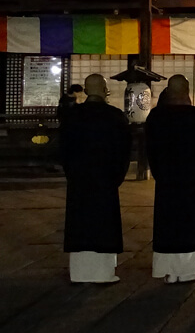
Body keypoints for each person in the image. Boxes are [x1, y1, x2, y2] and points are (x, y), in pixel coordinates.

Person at [60, 74, 131, 283]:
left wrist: (72, 174)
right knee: (104, 226)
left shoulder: (71, 116)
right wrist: (116, 177)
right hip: (106, 180)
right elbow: (123, 152)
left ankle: (79, 273)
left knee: (80, 224)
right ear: (104, 90)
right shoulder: (115, 116)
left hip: (79, 180)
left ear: (86, 90)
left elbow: (63, 150)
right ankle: (103, 273)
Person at [146, 74, 195, 284]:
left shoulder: (156, 117)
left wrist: (159, 173)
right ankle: (187, 270)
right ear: (187, 91)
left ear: (168, 91)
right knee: (189, 223)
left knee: (166, 222)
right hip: (190, 178)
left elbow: (151, 151)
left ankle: (167, 271)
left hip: (165, 179)